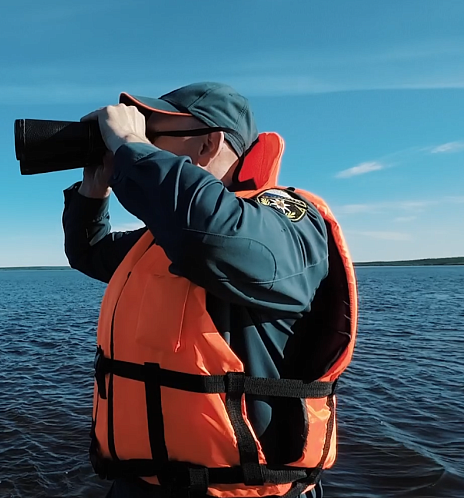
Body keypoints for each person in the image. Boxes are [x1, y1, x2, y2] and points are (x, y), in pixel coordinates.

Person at [61, 82, 358, 498]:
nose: (133, 145)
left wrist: (130, 144)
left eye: (152, 134)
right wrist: (94, 190)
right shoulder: (170, 234)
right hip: (139, 485)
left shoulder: (284, 220)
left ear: (208, 144)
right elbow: (90, 254)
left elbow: (217, 237)